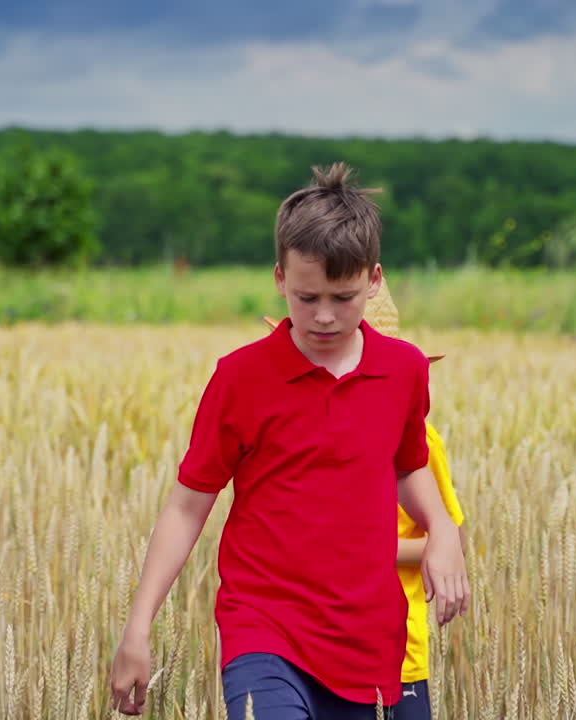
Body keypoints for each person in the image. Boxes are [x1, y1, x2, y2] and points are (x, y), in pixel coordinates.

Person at [109, 162, 469, 719]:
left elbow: (407, 465)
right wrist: (138, 626)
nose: (324, 316)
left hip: (367, 637)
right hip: (263, 626)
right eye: (306, 298)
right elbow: (186, 507)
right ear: (280, 279)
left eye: (342, 297)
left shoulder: (403, 370)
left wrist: (443, 529)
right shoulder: (239, 378)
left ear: (374, 280)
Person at [265, 275, 466, 720]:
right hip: (308, 643)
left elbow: (450, 538)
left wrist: (366, 553)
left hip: (399, 650)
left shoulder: (424, 444)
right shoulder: (300, 434)